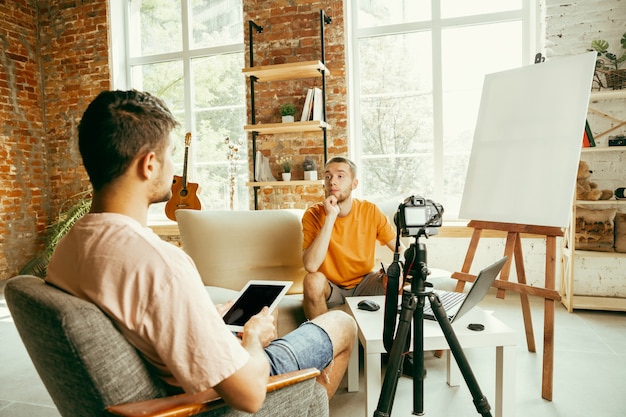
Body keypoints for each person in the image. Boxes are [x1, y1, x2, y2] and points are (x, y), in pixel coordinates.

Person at [45, 90, 356, 414]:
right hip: (219, 395)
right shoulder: (161, 264)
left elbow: (145, 315)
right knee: (340, 325)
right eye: (170, 154)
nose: (175, 170)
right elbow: (248, 394)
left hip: (184, 371)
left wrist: (206, 318)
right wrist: (253, 337)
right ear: (149, 164)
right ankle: (301, 407)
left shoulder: (70, 246)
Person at [301, 156, 398, 319]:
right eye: (328, 176)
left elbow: (400, 248)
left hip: (365, 282)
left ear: (354, 184)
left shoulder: (370, 211)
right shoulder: (313, 215)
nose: (332, 181)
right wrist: (330, 217)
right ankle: (324, 340)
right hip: (331, 288)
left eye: (340, 176)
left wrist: (397, 268)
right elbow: (311, 265)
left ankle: (395, 341)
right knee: (312, 280)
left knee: (399, 276)